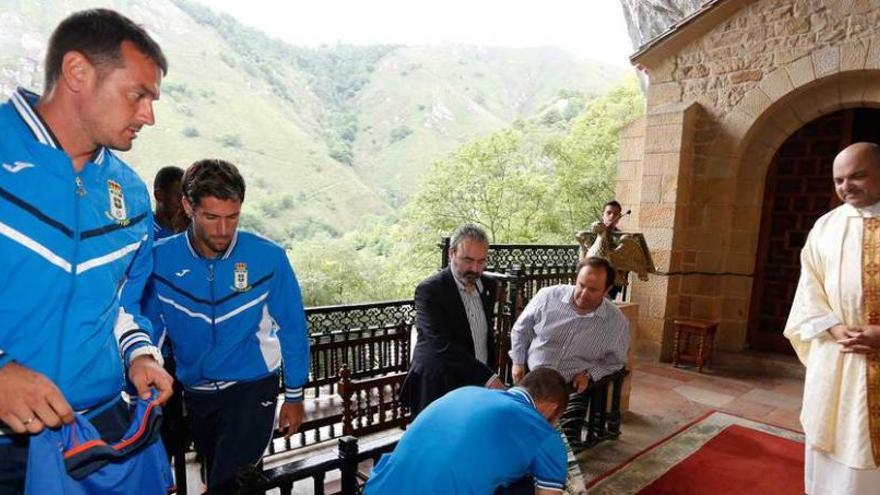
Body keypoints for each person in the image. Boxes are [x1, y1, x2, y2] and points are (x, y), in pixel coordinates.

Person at [0, 9, 172, 493]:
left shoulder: (132, 196)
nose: (148, 115)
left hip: (93, 438)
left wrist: (141, 356)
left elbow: (121, 305)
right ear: (77, 72)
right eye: (138, 95)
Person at [144, 158, 310, 494]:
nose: (223, 230)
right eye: (211, 217)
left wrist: (294, 395)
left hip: (253, 387)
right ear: (188, 207)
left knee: (228, 483)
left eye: (232, 217)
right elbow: (149, 326)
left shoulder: (269, 257)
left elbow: (293, 327)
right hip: (196, 391)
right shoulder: (159, 259)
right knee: (219, 473)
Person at [785, 142, 880, 494]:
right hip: (837, 354)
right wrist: (835, 327)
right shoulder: (825, 226)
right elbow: (809, 288)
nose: (846, 186)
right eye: (839, 179)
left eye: (857, 175)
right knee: (833, 440)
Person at [365, 367, 570, 495]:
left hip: (378, 489)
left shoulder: (465, 391)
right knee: (524, 486)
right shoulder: (543, 432)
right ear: (552, 408)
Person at [509, 256, 629, 447]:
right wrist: (517, 361)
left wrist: (590, 375)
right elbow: (520, 330)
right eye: (581, 285)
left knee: (562, 445)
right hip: (532, 379)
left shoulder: (616, 322)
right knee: (515, 434)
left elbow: (616, 361)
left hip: (571, 389)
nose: (583, 294)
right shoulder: (547, 296)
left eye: (593, 290)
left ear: (607, 290)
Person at [400, 224, 505, 416]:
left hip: (477, 386)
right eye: (468, 260)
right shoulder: (430, 291)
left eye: (481, 262)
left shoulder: (488, 285)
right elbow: (441, 345)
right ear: (451, 253)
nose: (475, 268)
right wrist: (489, 378)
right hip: (439, 387)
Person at [152, 165, 187, 239]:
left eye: (188, 197)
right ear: (159, 195)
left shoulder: (191, 227)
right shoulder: (146, 233)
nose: (185, 203)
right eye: (179, 196)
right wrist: (180, 236)